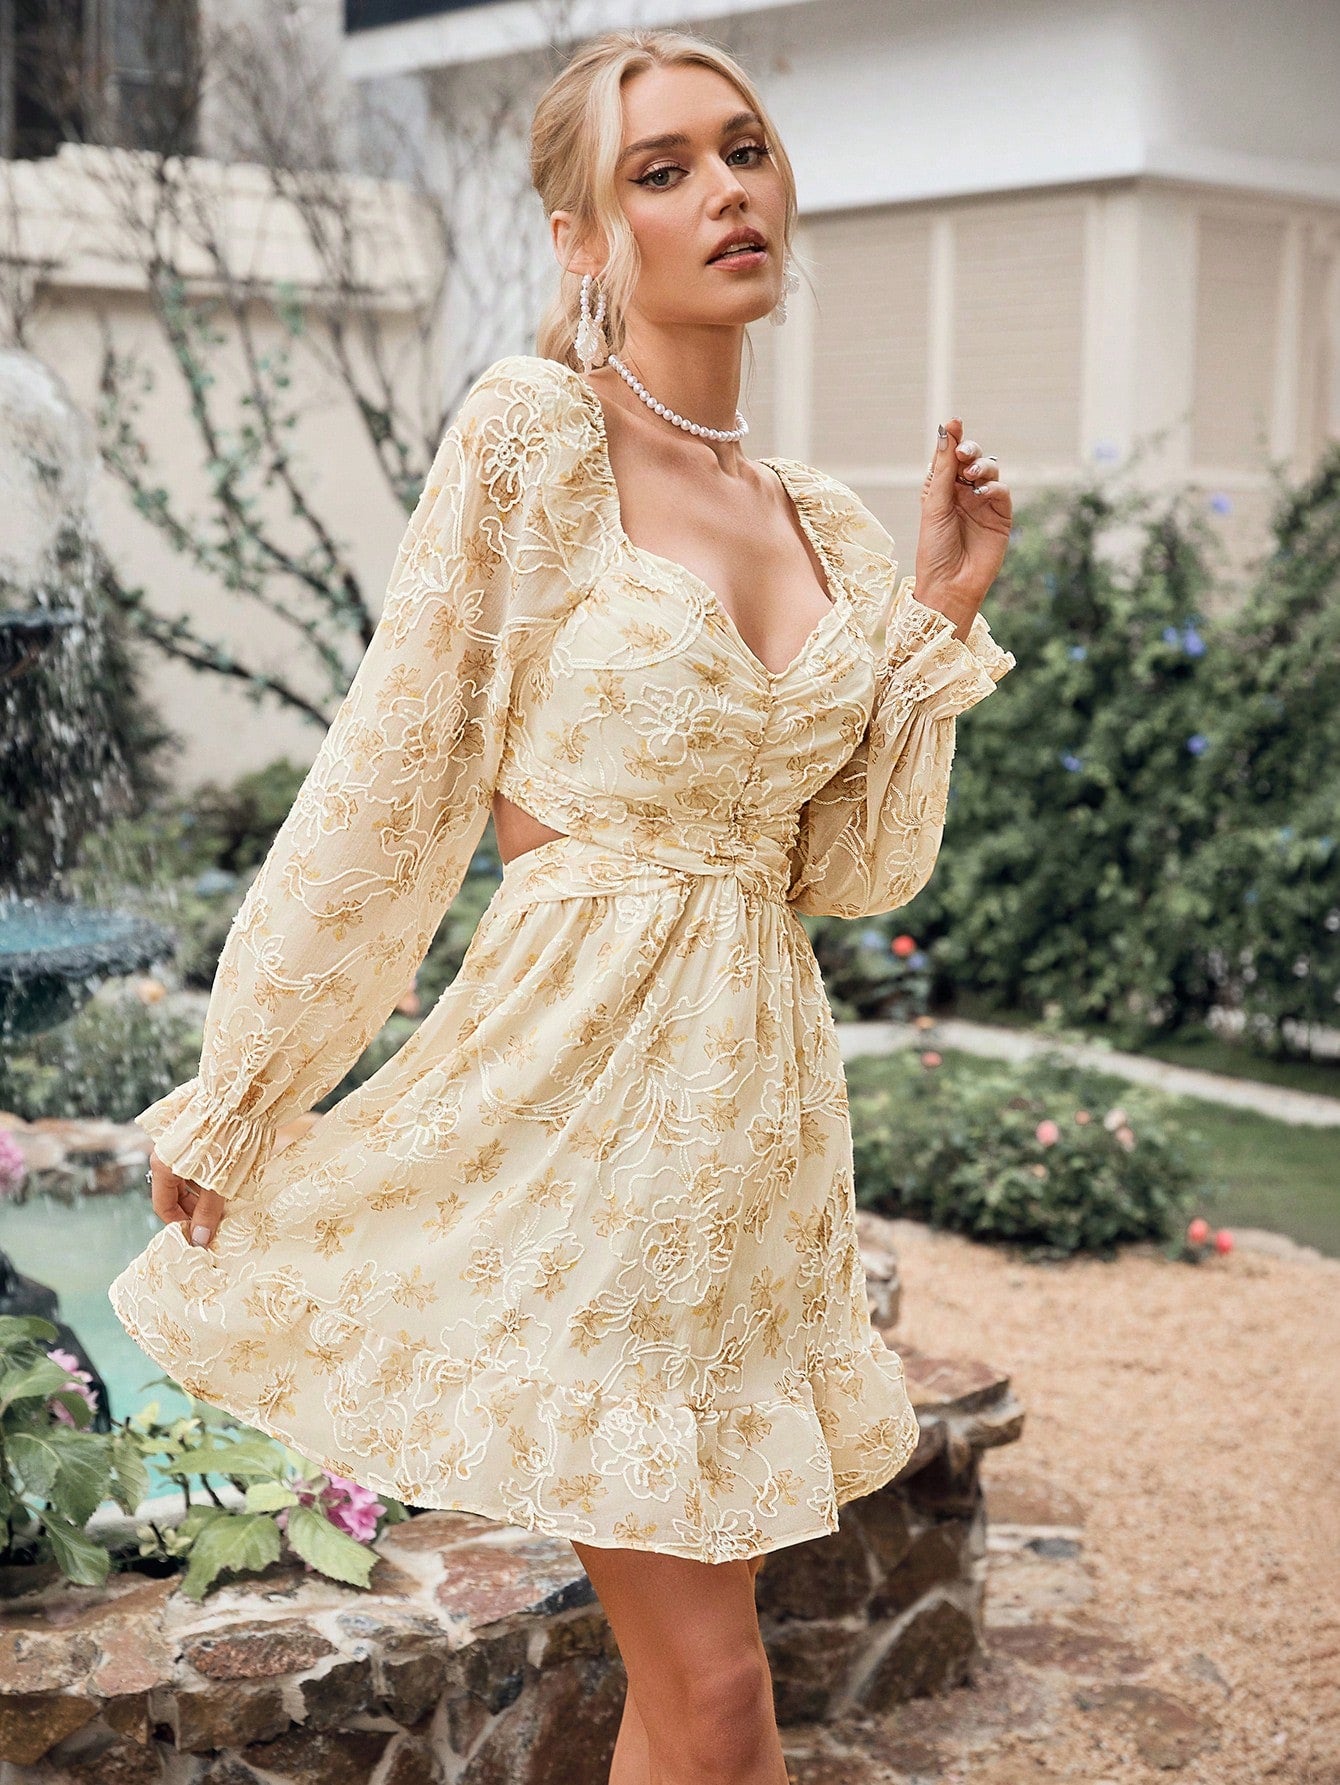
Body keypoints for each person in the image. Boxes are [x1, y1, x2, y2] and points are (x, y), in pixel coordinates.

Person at [110, 26, 1015, 1785]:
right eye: (661, 168)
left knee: (699, 1696)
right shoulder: (537, 438)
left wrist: (933, 619)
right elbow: (394, 775)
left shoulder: (823, 522)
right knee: (722, 1692)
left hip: (754, 1135)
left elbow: (853, 870)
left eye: (742, 149)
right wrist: (251, 1074)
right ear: (585, 237)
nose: (724, 190)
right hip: (577, 1097)